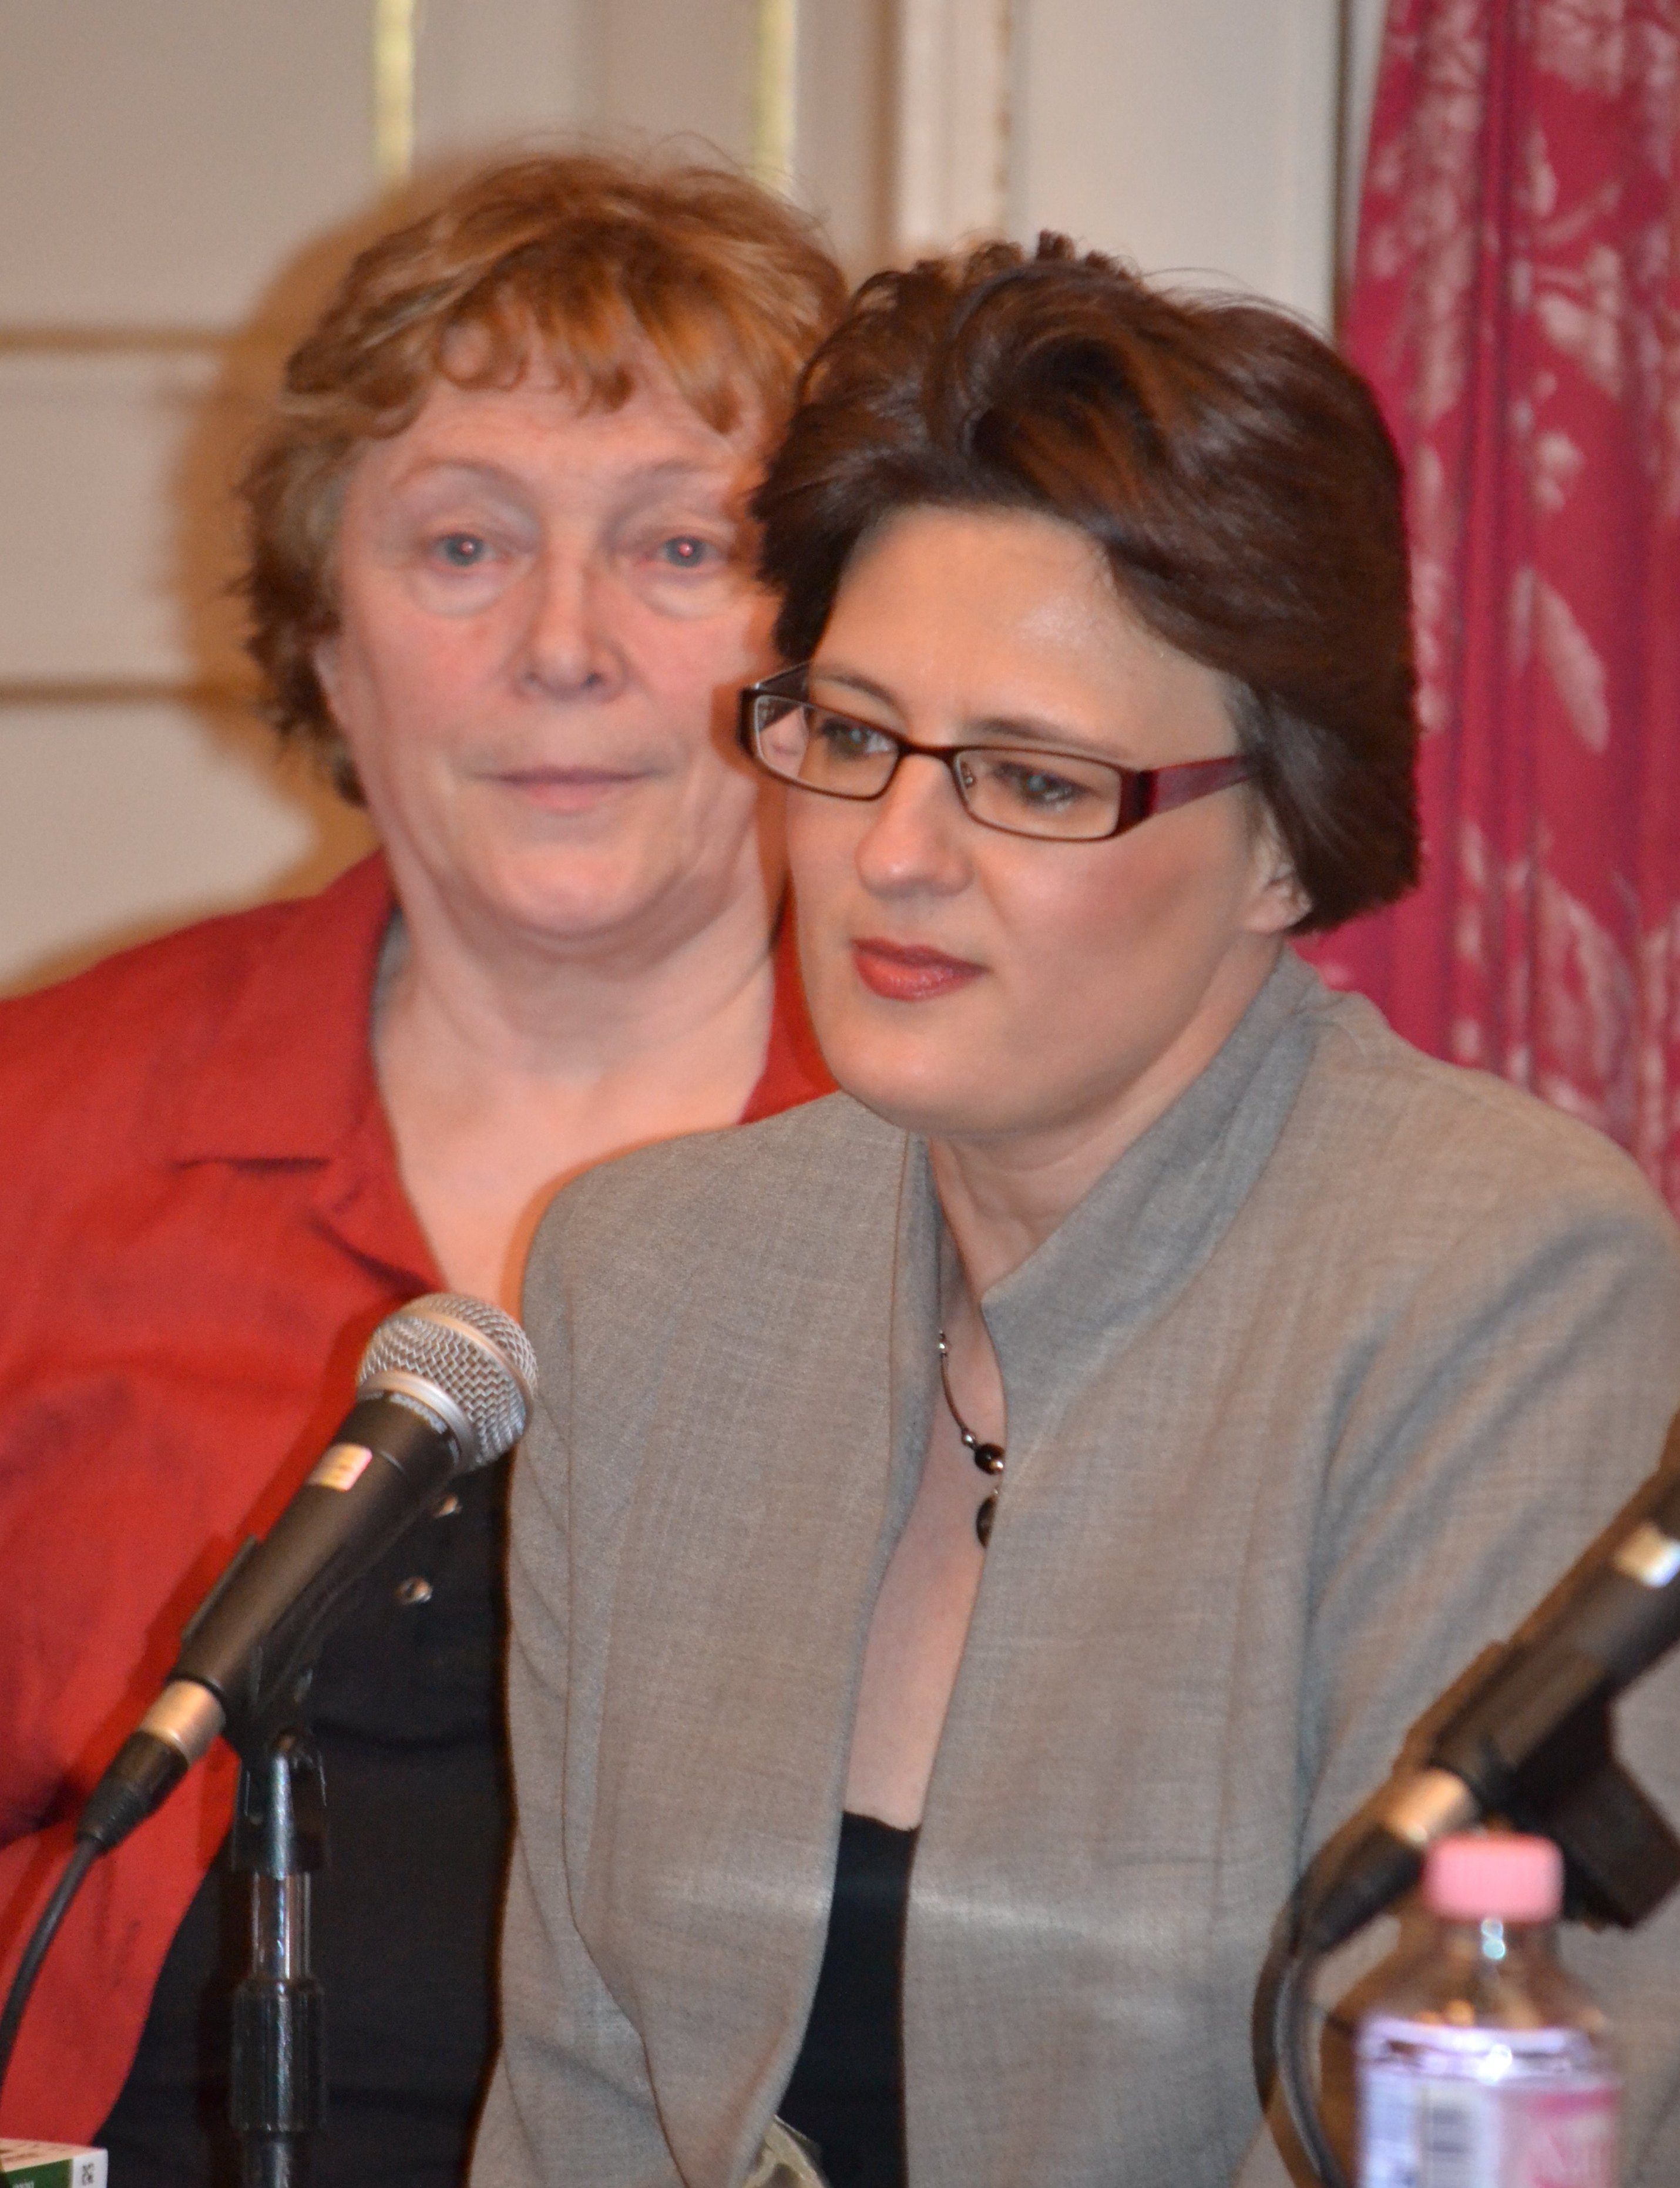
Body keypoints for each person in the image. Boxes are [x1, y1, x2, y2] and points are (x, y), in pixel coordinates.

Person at [475, 239, 1680, 2188]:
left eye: (1030, 781)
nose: (892, 853)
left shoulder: (1496, 1279)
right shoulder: (647, 1279)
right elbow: (573, 2092)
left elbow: (1470, 2108)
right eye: (848, 736)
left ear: (1280, 842)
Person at [0, 153, 842, 2182]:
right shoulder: (46, 1127)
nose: (564, 645)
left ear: (828, 644)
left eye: (680, 547)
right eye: (463, 544)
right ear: (328, 632)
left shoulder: (988, 1155)